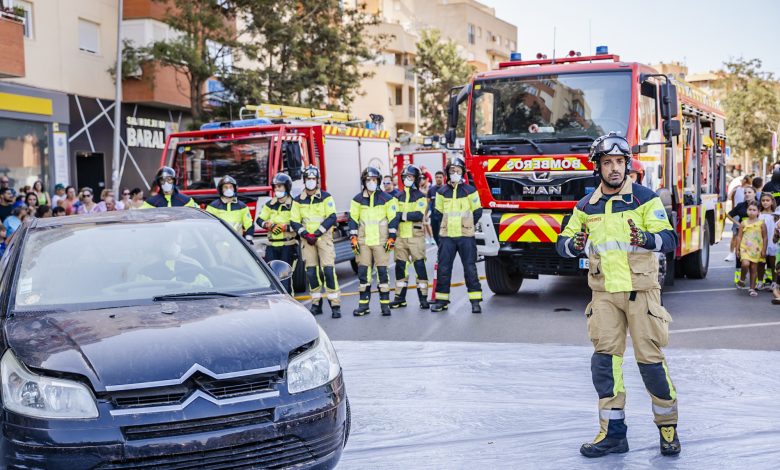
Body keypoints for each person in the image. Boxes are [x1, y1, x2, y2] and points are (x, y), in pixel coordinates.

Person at [556, 133, 680, 458]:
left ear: (627, 165)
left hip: (642, 295)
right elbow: (562, 243)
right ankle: (613, 435)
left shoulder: (645, 199)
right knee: (605, 366)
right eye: (607, 162)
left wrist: (647, 239)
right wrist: (573, 245)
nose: (614, 168)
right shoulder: (586, 206)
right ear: (597, 167)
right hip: (604, 296)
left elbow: (669, 239)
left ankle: (668, 428)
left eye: (620, 162)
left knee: (651, 364)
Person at [430, 157, 483, 313]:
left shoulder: (470, 190)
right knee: (443, 269)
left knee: (470, 268)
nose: (455, 173)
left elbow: (477, 211)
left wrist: (468, 224)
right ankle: (442, 301)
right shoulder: (441, 192)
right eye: (452, 170)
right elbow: (437, 213)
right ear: (447, 173)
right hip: (447, 236)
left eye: (458, 170)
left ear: (463, 172)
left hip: (465, 236)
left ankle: (475, 302)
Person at [290, 165, 342, 318]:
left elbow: (332, 217)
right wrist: (306, 234)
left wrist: (318, 233)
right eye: (308, 178)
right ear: (304, 180)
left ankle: (335, 305)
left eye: (313, 178)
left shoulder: (326, 197)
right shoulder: (298, 200)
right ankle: (316, 304)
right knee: (311, 272)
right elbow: (294, 221)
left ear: (317, 180)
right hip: (307, 240)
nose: (311, 181)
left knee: (328, 271)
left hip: (323, 238)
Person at [349, 166, 399, 316]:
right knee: (363, 274)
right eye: (368, 180)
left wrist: (392, 237)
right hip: (363, 242)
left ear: (378, 181)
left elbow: (393, 218)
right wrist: (353, 237)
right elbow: (353, 219)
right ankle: (364, 305)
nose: (371, 182)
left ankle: (385, 305)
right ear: (364, 181)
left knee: (383, 273)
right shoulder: (357, 200)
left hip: (381, 242)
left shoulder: (387, 199)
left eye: (374, 179)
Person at [389, 165, 430, 310]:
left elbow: (418, 215)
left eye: (410, 177)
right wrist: (392, 235)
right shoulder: (397, 197)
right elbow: (393, 216)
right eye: (405, 177)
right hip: (400, 237)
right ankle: (400, 298)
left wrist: (401, 215)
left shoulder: (421, 197)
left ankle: (423, 299)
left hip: (415, 237)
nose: (407, 179)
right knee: (400, 268)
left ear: (416, 179)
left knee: (420, 267)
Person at [257, 173, 296, 292]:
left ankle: (288, 299)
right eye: (275, 187)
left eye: (280, 186)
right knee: (271, 276)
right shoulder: (270, 204)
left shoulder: (294, 205)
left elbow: (298, 224)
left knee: (285, 276)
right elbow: (259, 220)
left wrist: (285, 227)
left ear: (287, 187)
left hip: (287, 245)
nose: (277, 189)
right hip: (272, 245)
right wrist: (268, 225)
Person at [206, 175, 254, 242]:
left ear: (234, 188)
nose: (228, 189)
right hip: (219, 242)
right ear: (221, 189)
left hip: (237, 242)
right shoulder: (213, 206)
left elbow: (249, 225)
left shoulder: (242, 206)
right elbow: (208, 226)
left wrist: (248, 240)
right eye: (225, 187)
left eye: (231, 187)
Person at [735, 201, 767, 297]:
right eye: (750, 209)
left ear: (758, 212)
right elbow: (739, 236)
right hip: (745, 248)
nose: (751, 212)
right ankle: (742, 279)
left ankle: (752, 288)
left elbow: (765, 237)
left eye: (754, 210)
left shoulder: (761, 223)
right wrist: (737, 248)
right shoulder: (743, 223)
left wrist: (764, 250)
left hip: (756, 249)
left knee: (753, 268)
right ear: (747, 210)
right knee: (745, 264)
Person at [725, 186, 757, 263]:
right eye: (745, 193)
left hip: (756, 232)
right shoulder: (740, 205)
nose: (747, 194)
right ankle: (739, 266)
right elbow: (729, 214)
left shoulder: (759, 204)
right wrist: (737, 223)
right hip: (743, 232)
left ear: (754, 194)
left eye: (749, 192)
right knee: (741, 253)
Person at [758, 193, 777, 289]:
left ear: (772, 202)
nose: (765, 202)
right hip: (761, 241)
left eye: (767, 200)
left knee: (773, 263)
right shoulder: (759, 214)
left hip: (773, 241)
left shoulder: (776, 214)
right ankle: (760, 282)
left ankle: (775, 282)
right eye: (763, 200)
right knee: (761, 262)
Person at [428, 170, 446, 245]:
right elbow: (427, 202)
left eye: (440, 177)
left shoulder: (447, 189)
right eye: (437, 177)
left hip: (444, 215)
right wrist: (425, 215)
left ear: (443, 178)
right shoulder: (431, 190)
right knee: (435, 234)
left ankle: (443, 249)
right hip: (434, 216)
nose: (438, 179)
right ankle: (440, 247)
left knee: (443, 235)